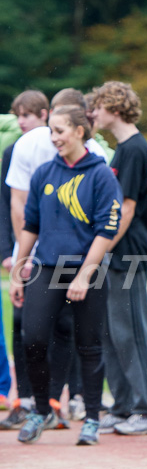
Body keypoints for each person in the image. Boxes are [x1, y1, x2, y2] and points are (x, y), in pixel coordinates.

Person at [9, 105, 121, 445]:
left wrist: (85, 275)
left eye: (59, 130)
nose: (53, 137)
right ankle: (42, 410)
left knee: (89, 345)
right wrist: (18, 270)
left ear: (79, 131)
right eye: (52, 131)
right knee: (33, 339)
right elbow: (31, 225)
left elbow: (107, 229)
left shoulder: (101, 175)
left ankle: (89, 418)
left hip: (87, 270)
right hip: (46, 267)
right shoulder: (44, 172)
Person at [91, 82, 147, 436]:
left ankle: (146, 411)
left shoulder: (134, 148)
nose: (94, 113)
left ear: (114, 107)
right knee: (111, 332)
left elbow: (128, 209)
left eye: (98, 106)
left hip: (128, 252)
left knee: (132, 331)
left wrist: (100, 248)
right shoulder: (121, 149)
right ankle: (121, 406)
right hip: (114, 254)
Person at [0, 91, 49, 425]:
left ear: (44, 114)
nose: (21, 121)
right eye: (18, 115)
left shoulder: (63, 151)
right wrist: (10, 251)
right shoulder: (12, 151)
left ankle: (60, 399)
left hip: (55, 252)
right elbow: (7, 205)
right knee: (22, 326)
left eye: (28, 115)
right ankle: (26, 398)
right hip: (22, 250)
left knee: (60, 327)